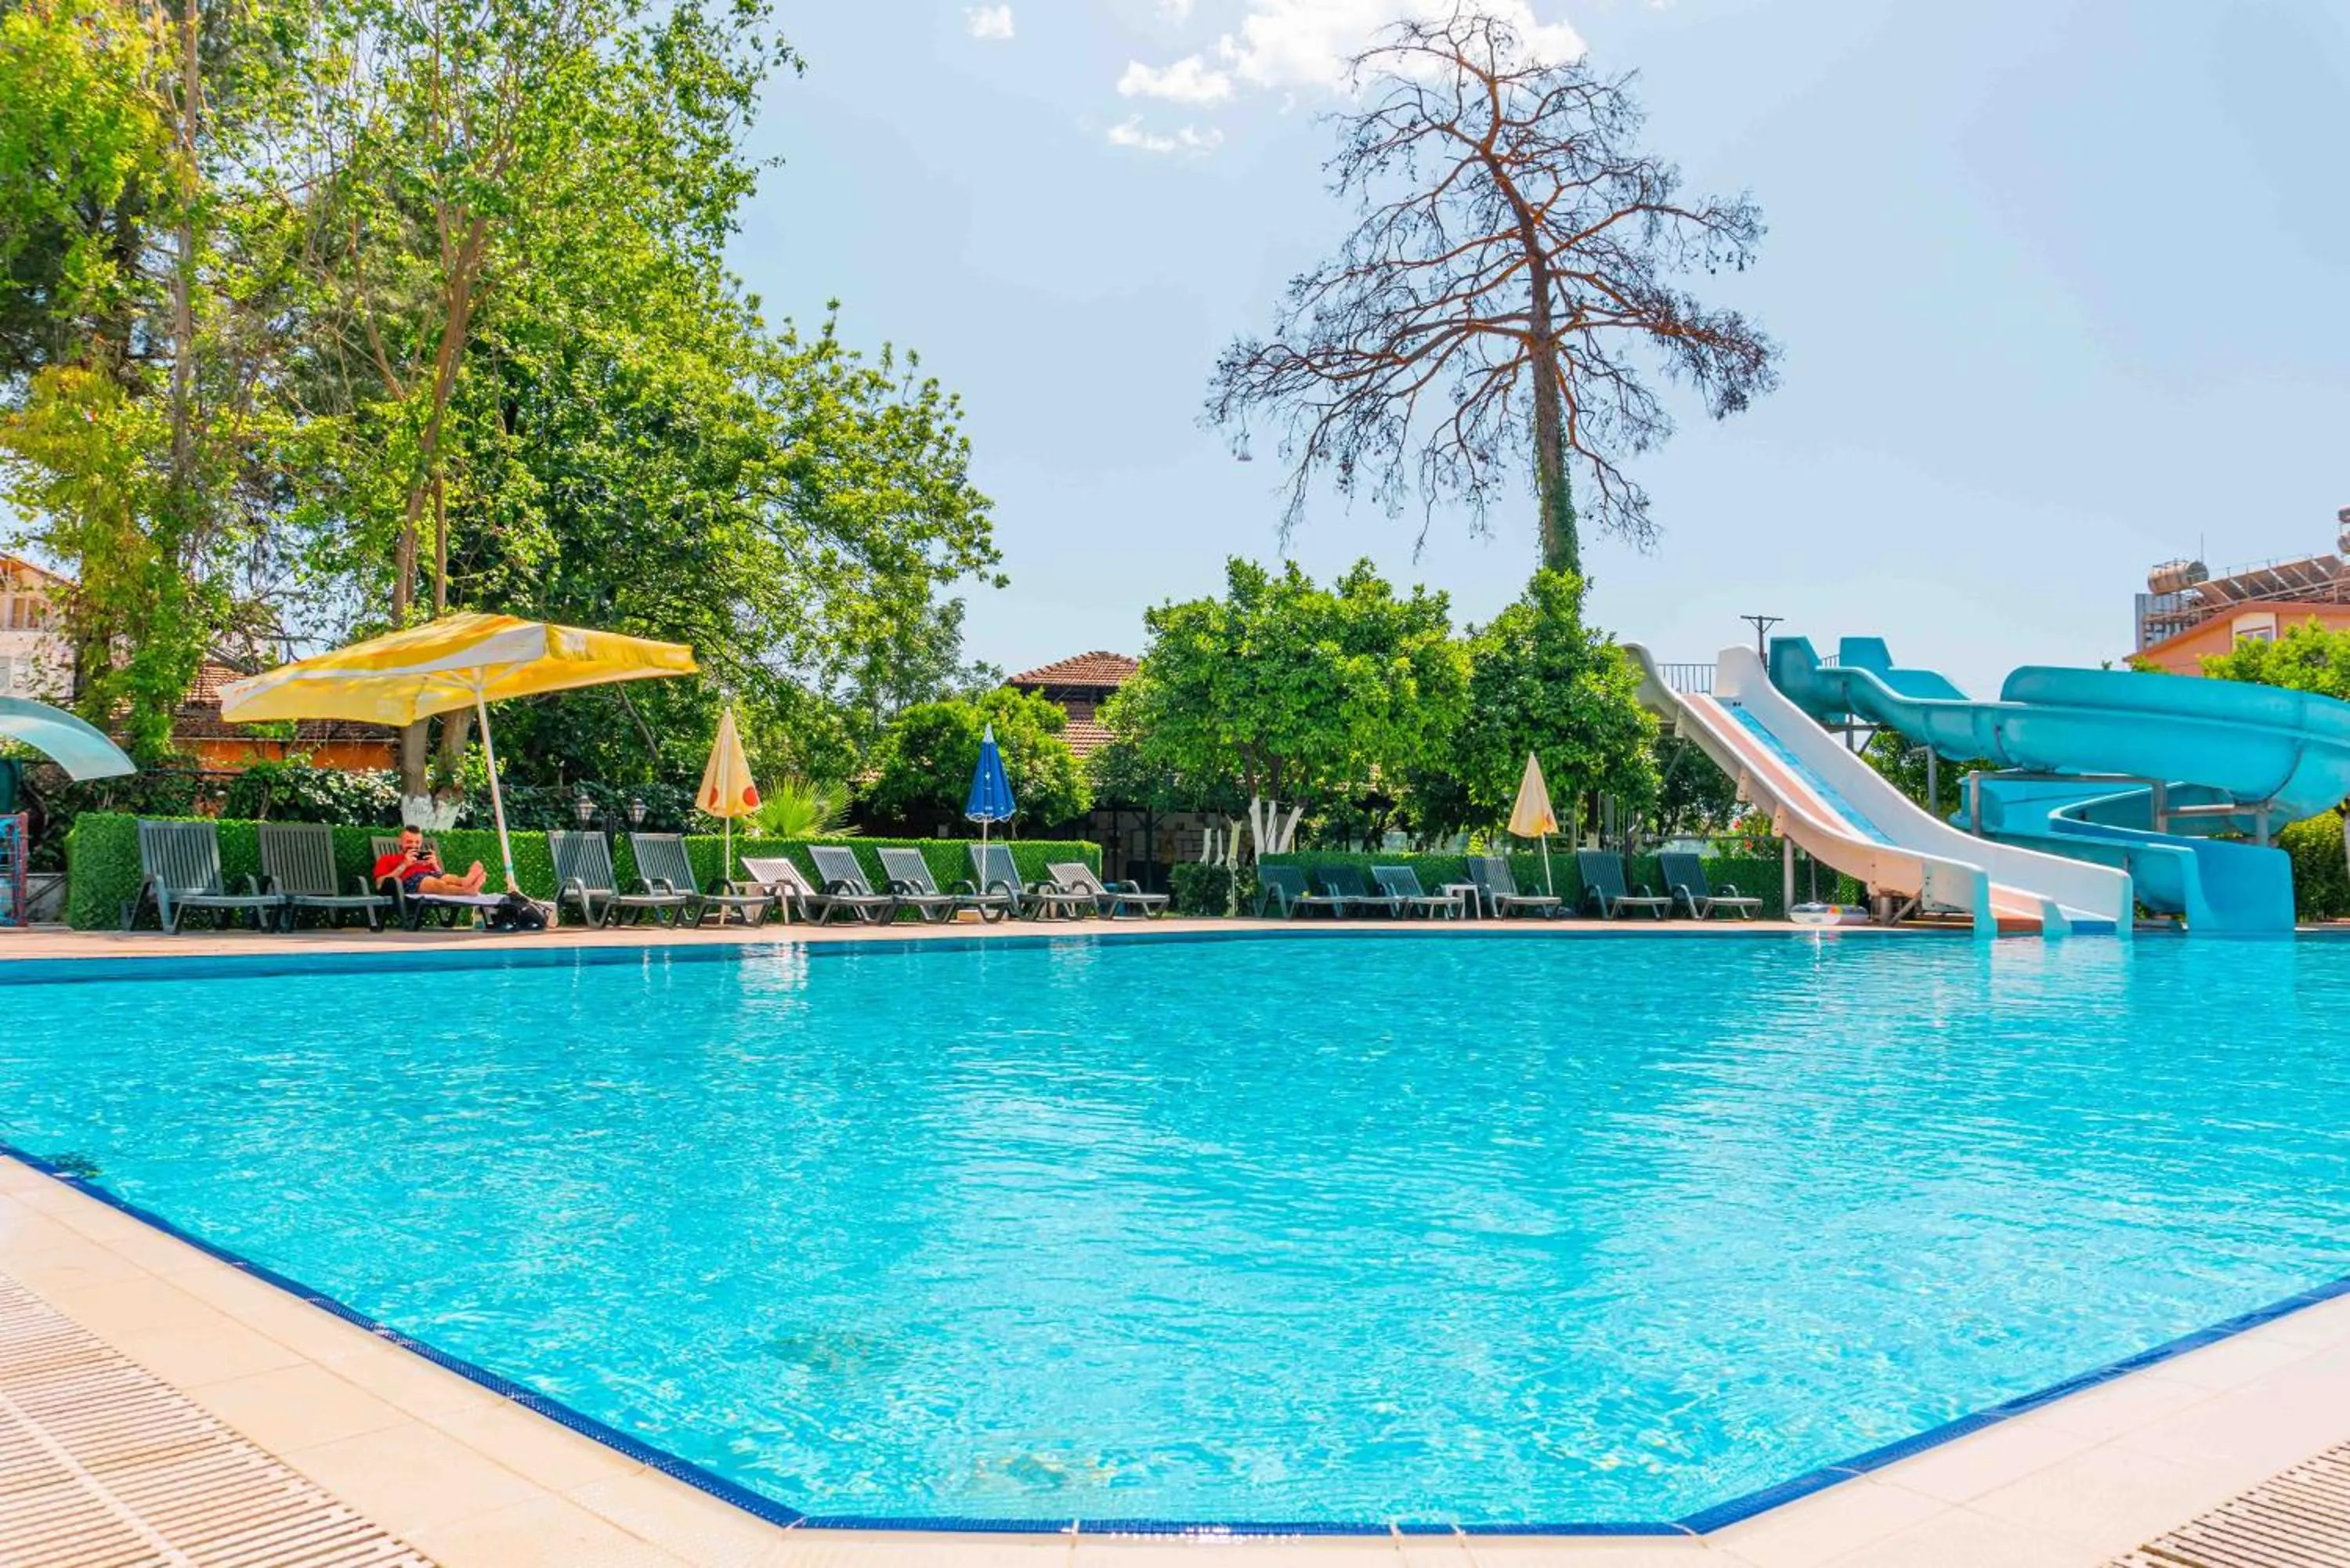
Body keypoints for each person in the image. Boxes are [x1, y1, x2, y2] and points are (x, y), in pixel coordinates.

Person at [371, 826, 489, 898]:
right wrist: (404, 865)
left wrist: (435, 865)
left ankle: (465, 882)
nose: (414, 845)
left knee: (448, 878)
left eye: (417, 843)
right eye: (409, 842)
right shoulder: (387, 859)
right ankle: (467, 891)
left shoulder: (424, 858)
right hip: (411, 881)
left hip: (432, 876)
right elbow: (379, 884)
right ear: (400, 842)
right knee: (436, 884)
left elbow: (440, 874)